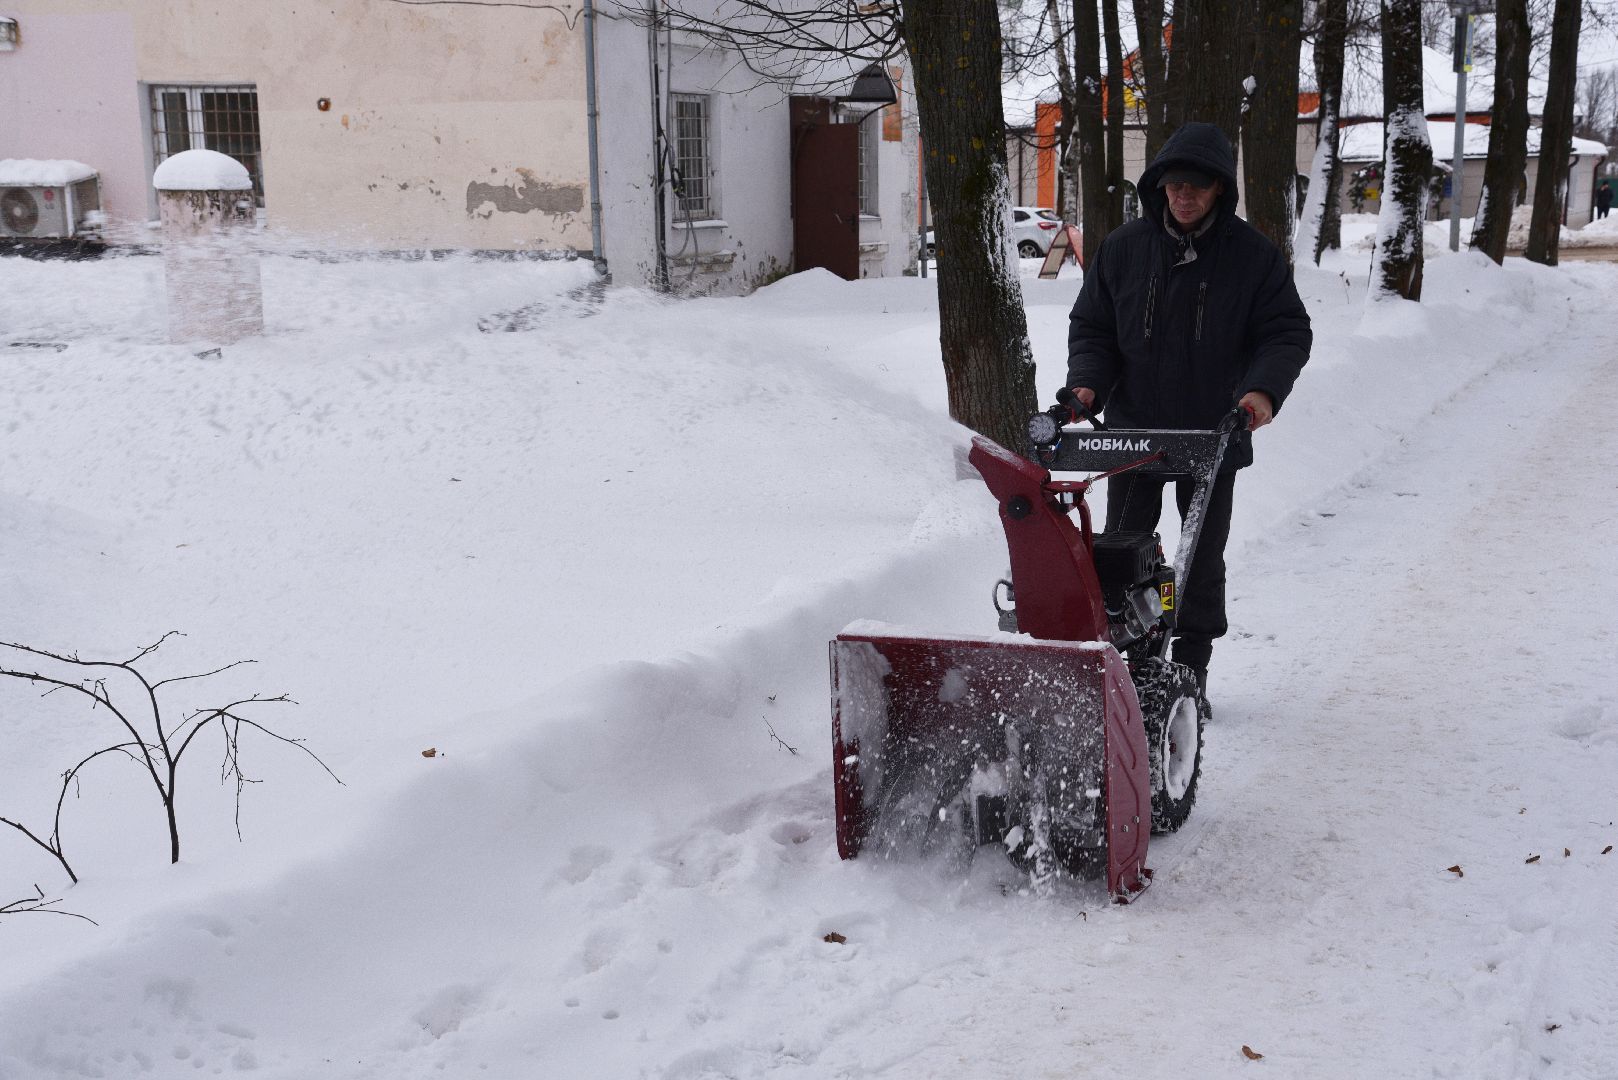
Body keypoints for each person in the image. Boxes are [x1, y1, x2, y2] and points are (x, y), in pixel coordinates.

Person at [1065, 121, 1312, 711]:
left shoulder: (1252, 258)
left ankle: (1190, 669)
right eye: (1174, 185)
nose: (1184, 196)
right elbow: (1094, 328)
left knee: (1198, 556)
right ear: (1159, 187)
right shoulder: (1124, 249)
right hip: (1134, 433)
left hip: (1214, 431)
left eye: (1197, 187)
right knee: (1124, 552)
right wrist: (1088, 387)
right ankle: (1138, 665)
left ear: (1219, 190)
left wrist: (1261, 394)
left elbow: (1286, 332)